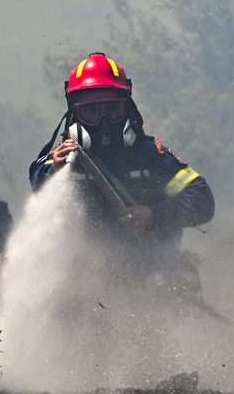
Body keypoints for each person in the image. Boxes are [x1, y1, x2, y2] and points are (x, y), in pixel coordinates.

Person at [29, 52, 214, 285]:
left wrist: (153, 215)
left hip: (154, 281)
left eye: (112, 110)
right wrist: (56, 169)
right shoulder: (62, 159)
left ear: (127, 109)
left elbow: (202, 200)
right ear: (75, 114)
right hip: (86, 285)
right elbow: (38, 183)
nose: (104, 121)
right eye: (91, 112)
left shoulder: (150, 155)